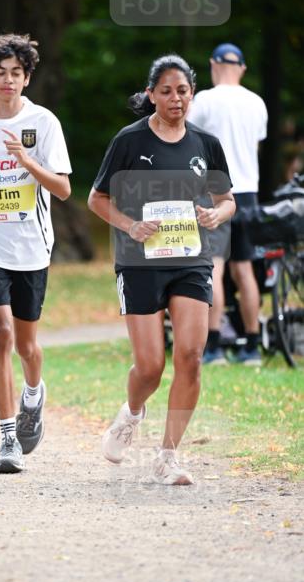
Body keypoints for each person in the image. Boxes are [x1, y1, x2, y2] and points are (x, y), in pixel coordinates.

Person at [88, 54, 235, 486]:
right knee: (150, 367)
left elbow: (228, 200)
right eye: (166, 91)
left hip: (190, 259)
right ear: (151, 94)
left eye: (183, 90)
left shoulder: (205, 144)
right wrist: (132, 224)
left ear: (193, 94)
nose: (176, 99)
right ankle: (131, 413)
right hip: (139, 262)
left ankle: (168, 455)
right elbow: (98, 199)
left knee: (190, 356)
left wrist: (216, 215)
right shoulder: (129, 142)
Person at [0, 34, 71, 473]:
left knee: (27, 345)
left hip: (32, 247)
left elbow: (64, 189)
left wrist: (26, 162)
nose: (8, 80)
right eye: (0, 73)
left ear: (27, 78)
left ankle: (33, 395)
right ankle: (7, 437)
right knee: (2, 333)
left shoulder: (43, 122)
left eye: (16, 73)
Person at [189, 43, 268, 365]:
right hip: (248, 193)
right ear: (243, 68)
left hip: (214, 193)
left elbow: (188, 141)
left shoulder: (205, 100)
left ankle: (214, 345)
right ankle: (251, 345)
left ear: (213, 64)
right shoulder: (257, 103)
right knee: (244, 270)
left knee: (214, 268)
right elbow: (255, 147)